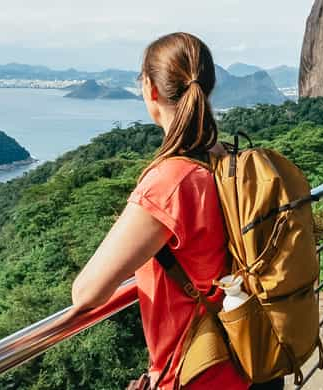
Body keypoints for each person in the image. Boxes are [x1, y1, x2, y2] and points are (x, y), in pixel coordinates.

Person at [71, 32, 265, 389]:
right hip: (249, 355)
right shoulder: (230, 160)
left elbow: (86, 293)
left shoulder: (168, 182)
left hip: (197, 372)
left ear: (151, 89)